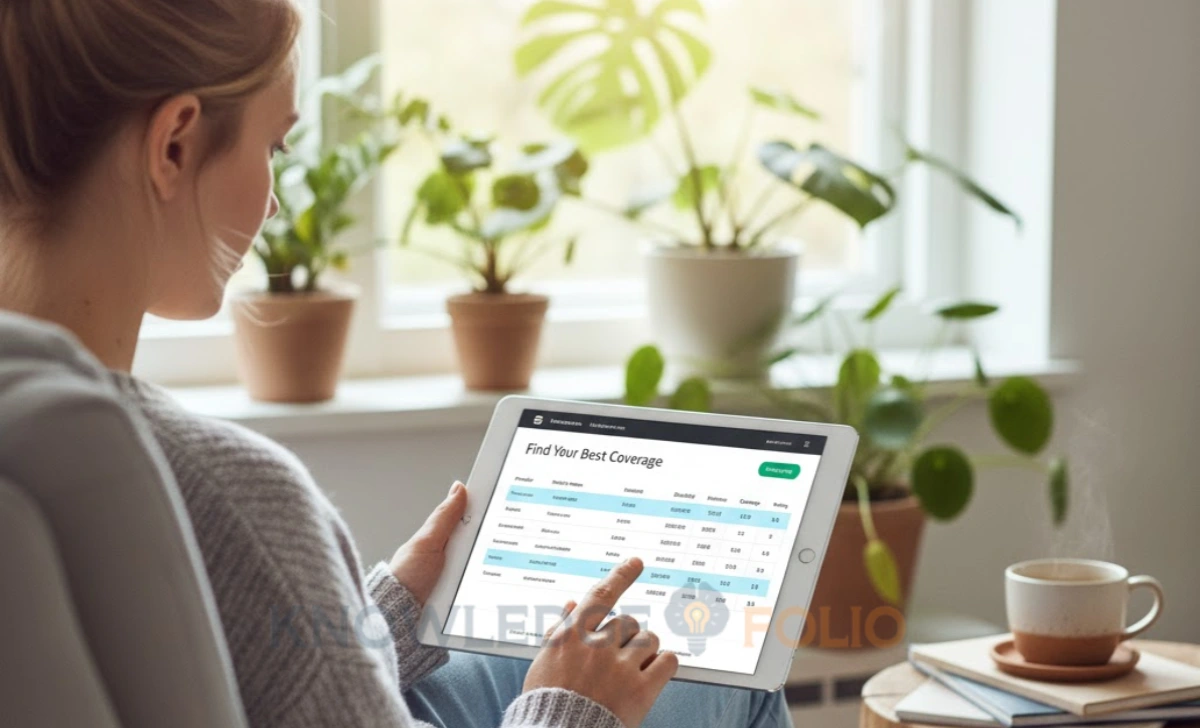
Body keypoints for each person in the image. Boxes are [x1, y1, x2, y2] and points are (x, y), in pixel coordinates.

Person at [0, 2, 794, 728]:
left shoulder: (41, 428)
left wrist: (385, 610)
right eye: (274, 145)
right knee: (731, 674)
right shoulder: (233, 490)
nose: (274, 202)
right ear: (173, 145)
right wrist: (568, 712)